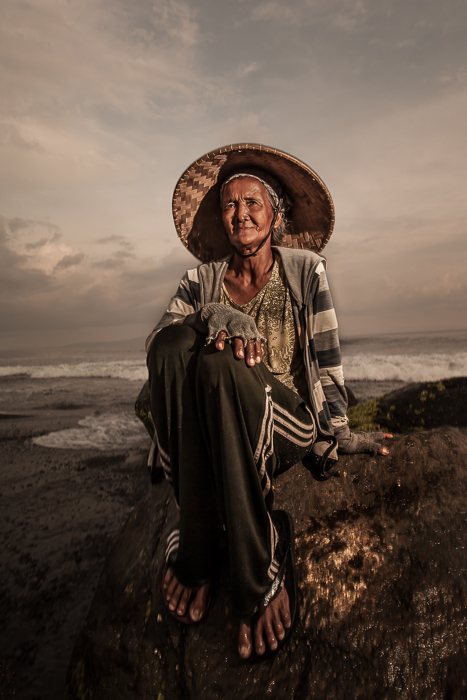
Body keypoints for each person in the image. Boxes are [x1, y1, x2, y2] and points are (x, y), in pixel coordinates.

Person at [145, 143, 392, 660]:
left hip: (285, 420)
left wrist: (343, 434)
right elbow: (160, 352)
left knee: (222, 364)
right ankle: (199, 537)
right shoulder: (202, 281)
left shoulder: (305, 271)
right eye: (230, 205)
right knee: (175, 346)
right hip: (215, 418)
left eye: (253, 202)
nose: (241, 214)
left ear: (275, 213)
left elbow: (326, 358)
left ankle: (258, 564)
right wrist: (214, 316)